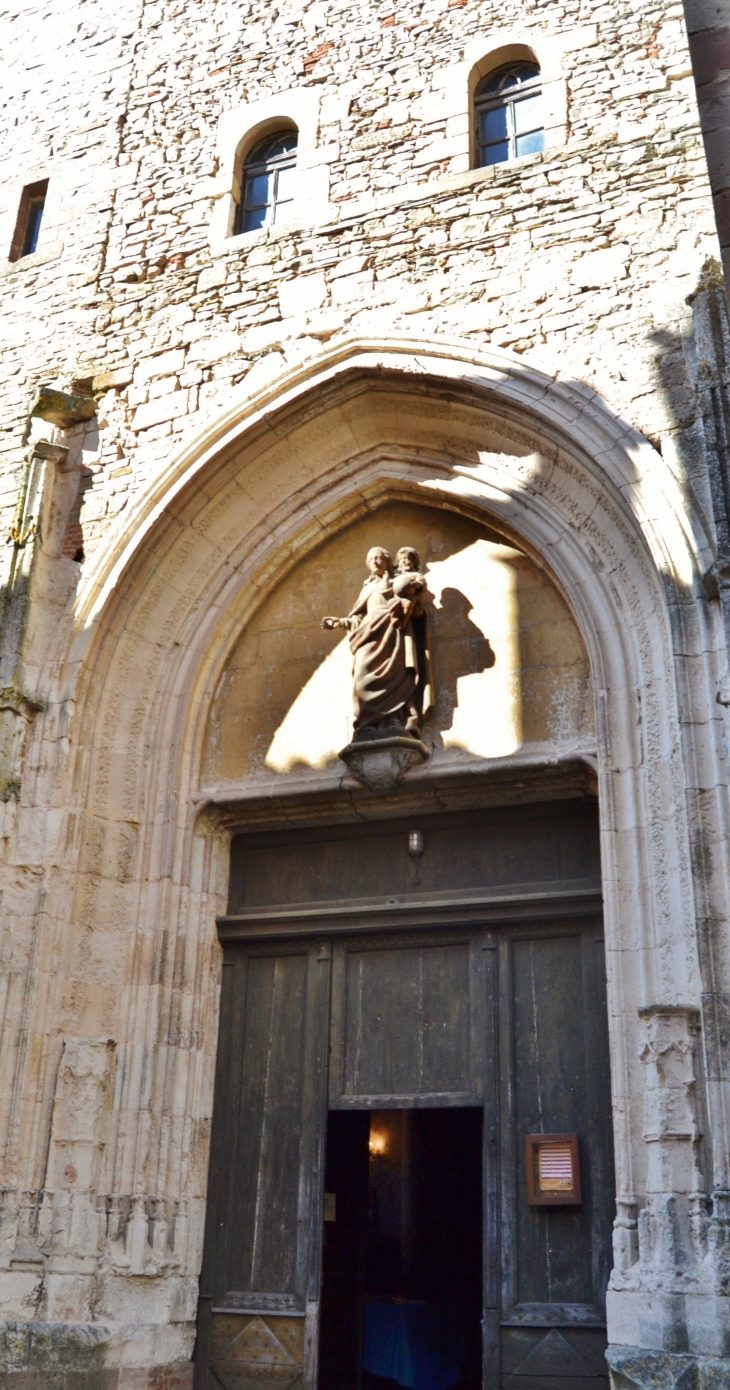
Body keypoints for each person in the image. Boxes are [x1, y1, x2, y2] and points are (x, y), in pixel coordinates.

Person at [321, 545, 433, 742]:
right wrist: (339, 622)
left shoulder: (399, 582)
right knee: (363, 680)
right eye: (371, 559)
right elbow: (358, 619)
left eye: (379, 558)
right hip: (367, 639)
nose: (374, 561)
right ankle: (367, 726)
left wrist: (405, 605)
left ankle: (394, 722)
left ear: (389, 562)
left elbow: (416, 608)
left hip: (392, 635)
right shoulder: (367, 588)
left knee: (396, 678)